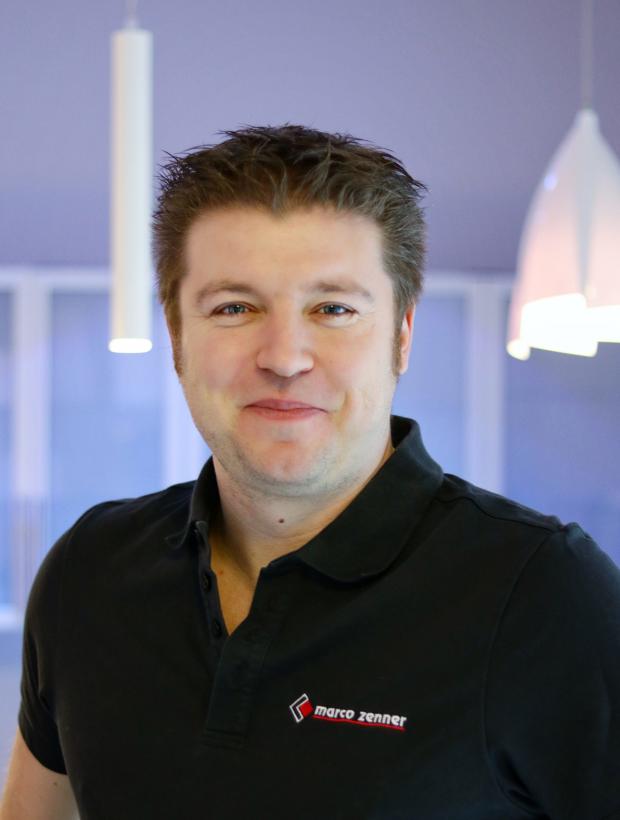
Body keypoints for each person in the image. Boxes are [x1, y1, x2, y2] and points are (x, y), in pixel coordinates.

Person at [1, 124, 619, 820]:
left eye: (333, 309)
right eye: (235, 308)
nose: (285, 357)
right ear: (177, 338)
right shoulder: (88, 570)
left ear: (401, 336)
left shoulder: (547, 593)